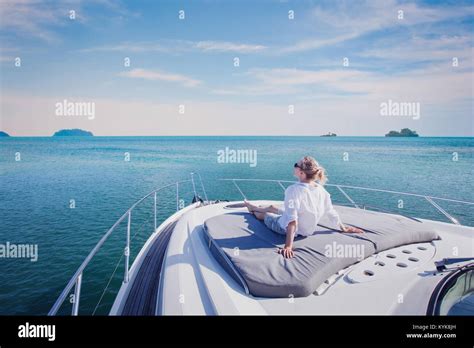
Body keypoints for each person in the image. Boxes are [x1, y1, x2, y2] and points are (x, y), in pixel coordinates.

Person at [244, 156, 363, 258]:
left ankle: (253, 210)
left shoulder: (293, 190)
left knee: (265, 215)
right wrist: (343, 228)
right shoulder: (321, 190)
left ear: (301, 173)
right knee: (273, 207)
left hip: (284, 228)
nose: (294, 166)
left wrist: (288, 246)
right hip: (305, 228)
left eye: (296, 164)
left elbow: (292, 221)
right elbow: (330, 211)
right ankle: (256, 206)